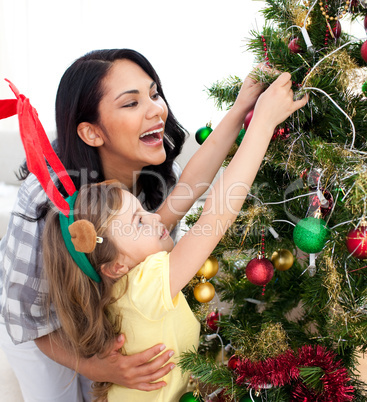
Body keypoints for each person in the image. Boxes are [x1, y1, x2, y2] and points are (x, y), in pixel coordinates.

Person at [0, 48, 269, 401]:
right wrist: (100, 368)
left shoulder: (141, 184)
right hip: (41, 322)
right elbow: (26, 317)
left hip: (107, 310)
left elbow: (179, 200)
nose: (156, 109)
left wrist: (243, 107)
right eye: (131, 103)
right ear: (91, 132)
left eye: (154, 94)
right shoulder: (43, 204)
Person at [41, 72, 308, 401]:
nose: (156, 219)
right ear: (116, 265)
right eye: (139, 221)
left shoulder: (120, 278)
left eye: (142, 209)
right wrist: (262, 123)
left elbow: (189, 187)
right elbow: (218, 213)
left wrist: (241, 109)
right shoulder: (148, 284)